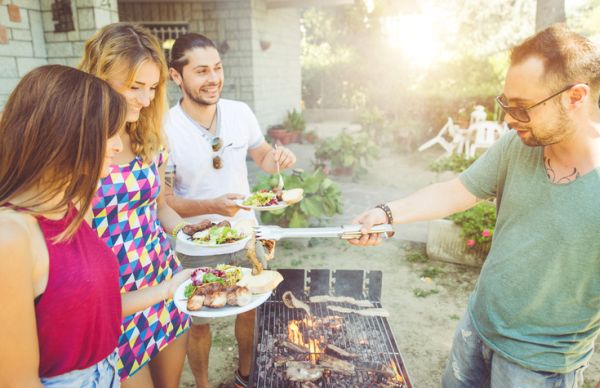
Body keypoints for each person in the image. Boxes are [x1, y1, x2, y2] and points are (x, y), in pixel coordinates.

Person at [350, 24, 600, 388]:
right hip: (477, 328)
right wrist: (386, 214)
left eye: (522, 108)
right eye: (505, 104)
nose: (509, 120)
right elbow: (456, 191)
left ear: (575, 97)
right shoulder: (517, 146)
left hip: (539, 367)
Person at [0, 64, 191, 387]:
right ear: (62, 134)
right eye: (108, 133)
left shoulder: (72, 211)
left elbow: (93, 310)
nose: (118, 146)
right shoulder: (11, 237)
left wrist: (168, 289)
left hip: (108, 370)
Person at [163, 33, 297, 388]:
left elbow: (263, 156)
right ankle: (204, 384)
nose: (213, 79)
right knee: (197, 320)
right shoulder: (165, 128)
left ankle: (246, 375)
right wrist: (212, 205)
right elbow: (164, 199)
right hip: (194, 243)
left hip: (245, 235)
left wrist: (278, 158)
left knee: (250, 305)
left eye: (218, 68)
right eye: (202, 71)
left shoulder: (240, 112)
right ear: (177, 76)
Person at [79, 23, 202, 387]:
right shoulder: (78, 146)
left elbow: (158, 205)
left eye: (152, 88)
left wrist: (187, 230)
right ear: (99, 75)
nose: (146, 99)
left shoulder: (147, 135)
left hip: (162, 278)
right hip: (113, 298)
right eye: (135, 87)